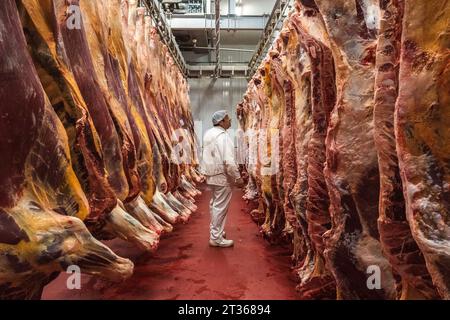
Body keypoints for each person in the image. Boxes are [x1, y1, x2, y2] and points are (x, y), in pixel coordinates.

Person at [200, 110, 244, 248]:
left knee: (215, 204)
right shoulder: (223, 137)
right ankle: (216, 238)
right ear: (221, 121)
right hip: (222, 176)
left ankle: (216, 232)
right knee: (220, 206)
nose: (230, 120)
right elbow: (229, 161)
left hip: (211, 174)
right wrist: (237, 177)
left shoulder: (209, 134)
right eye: (228, 118)